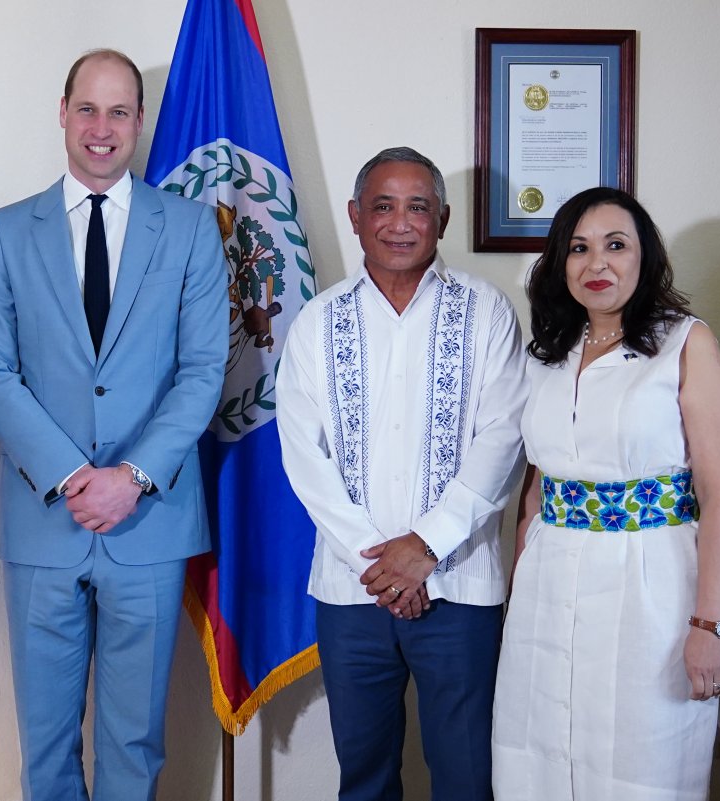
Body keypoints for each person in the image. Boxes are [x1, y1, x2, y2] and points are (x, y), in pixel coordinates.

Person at [0, 49, 227, 801]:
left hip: (149, 519)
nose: (102, 128)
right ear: (62, 110)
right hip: (44, 516)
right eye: (88, 108)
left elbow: (204, 370)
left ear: (140, 122)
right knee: (44, 742)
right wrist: (74, 476)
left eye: (119, 112)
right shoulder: (9, 231)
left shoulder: (189, 229)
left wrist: (131, 477)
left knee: (133, 740)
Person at [276, 147, 526, 801]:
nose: (400, 221)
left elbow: (503, 439)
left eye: (418, 206)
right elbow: (304, 455)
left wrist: (426, 546)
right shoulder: (316, 323)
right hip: (351, 591)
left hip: (461, 586)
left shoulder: (488, 312)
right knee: (364, 777)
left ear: (441, 220)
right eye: (383, 205)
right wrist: (383, 562)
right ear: (356, 217)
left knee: (467, 776)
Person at [491, 186, 720, 799]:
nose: (596, 263)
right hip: (548, 590)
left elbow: (719, 497)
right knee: (539, 759)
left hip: (651, 587)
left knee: (639, 766)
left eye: (615, 245)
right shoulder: (546, 356)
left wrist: (709, 625)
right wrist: (520, 586)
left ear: (644, 258)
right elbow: (537, 489)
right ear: (560, 262)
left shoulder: (686, 345)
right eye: (578, 248)